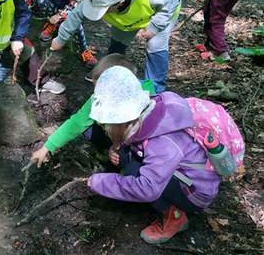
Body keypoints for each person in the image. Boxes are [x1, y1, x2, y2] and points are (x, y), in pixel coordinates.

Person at [86, 66, 220, 244]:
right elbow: (135, 139)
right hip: (183, 171)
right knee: (125, 157)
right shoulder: (152, 109)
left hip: (195, 191)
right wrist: (117, 146)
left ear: (121, 121)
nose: (105, 128)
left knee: (133, 171)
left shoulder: (163, 143)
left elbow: (147, 189)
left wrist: (101, 182)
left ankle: (175, 218)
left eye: (107, 125)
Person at [51, 0, 182, 93]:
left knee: (155, 46)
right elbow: (76, 14)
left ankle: (155, 89)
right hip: (131, 15)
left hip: (165, 8)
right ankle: (107, 72)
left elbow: (170, 2)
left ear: (120, 2)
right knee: (119, 39)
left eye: (104, 10)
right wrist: (60, 39)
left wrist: (154, 28)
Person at [30, 53, 155, 167]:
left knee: (129, 164)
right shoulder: (100, 98)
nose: (96, 94)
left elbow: (140, 136)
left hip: (140, 148)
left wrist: (121, 149)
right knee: (89, 129)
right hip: (121, 138)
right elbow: (77, 123)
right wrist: (47, 147)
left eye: (100, 89)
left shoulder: (145, 100)